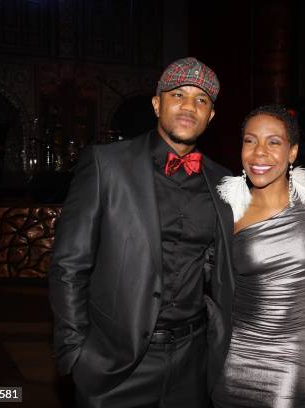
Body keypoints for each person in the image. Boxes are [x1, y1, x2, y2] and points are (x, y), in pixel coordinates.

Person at [48, 57, 235, 407]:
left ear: (210, 116)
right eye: (178, 94)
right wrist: (74, 352)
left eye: (201, 100)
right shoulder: (107, 165)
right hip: (117, 363)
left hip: (192, 363)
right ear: (156, 103)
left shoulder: (225, 182)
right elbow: (69, 266)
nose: (188, 106)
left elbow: (232, 260)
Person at [212, 105, 305, 408]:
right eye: (250, 141)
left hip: (289, 358)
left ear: (292, 152)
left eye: (273, 142)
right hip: (232, 355)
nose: (259, 153)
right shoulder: (225, 208)